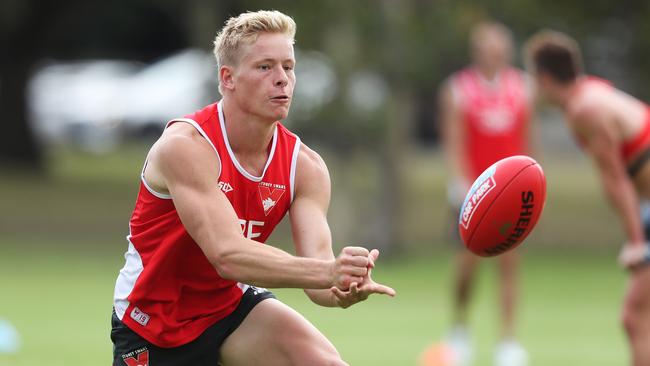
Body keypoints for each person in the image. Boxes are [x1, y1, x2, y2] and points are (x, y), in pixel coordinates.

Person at [110, 10, 395, 366]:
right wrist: (326, 272)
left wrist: (342, 285)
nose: (282, 80)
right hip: (154, 324)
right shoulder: (186, 147)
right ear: (227, 78)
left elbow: (318, 273)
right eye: (265, 67)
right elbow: (227, 255)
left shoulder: (305, 166)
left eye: (289, 67)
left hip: (229, 310)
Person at [525, 30, 650, 366]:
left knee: (636, 318)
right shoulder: (589, 93)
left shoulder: (585, 111)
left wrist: (637, 241)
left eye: (532, 77)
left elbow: (616, 179)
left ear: (545, 78)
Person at [434, 21, 534, 366]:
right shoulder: (458, 90)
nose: (493, 54)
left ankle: (508, 342)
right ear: (477, 52)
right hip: (475, 194)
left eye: (499, 48)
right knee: (467, 267)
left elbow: (527, 141)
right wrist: (460, 188)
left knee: (510, 265)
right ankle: (459, 332)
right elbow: (454, 142)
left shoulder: (523, 88)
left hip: (512, 195)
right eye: (487, 48)